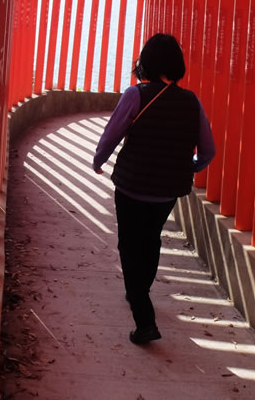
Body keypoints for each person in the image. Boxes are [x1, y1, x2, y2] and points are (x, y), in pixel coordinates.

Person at [92, 32, 215, 345]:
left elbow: (112, 133)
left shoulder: (136, 95)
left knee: (128, 245)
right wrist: (190, 167)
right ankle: (139, 291)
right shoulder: (191, 101)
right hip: (167, 190)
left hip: (132, 185)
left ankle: (144, 318)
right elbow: (208, 151)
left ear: (145, 62)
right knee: (149, 240)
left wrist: (99, 160)